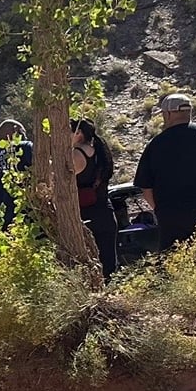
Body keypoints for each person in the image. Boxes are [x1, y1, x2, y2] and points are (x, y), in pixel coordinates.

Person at [133, 93, 196, 249]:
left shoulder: (156, 145)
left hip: (173, 218)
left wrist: (160, 209)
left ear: (168, 114)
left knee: (176, 262)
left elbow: (146, 187)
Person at [72, 117, 119, 279]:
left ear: (78, 133)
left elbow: (58, 180)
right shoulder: (98, 151)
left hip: (87, 217)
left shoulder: (77, 155)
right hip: (105, 212)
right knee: (108, 269)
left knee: (87, 271)